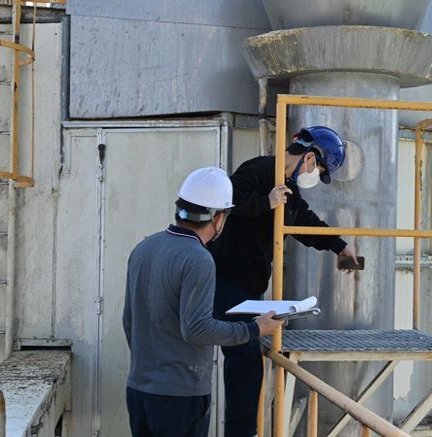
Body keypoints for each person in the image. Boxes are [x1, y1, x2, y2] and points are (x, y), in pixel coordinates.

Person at [210, 126, 358, 437]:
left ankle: (242, 432)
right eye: (319, 169)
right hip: (228, 281)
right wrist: (266, 201)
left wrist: (339, 246)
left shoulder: (290, 189)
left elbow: (303, 221)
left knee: (247, 365)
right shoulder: (259, 170)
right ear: (310, 157)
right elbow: (228, 200)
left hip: (249, 287)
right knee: (244, 362)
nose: (315, 175)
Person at [122, 167, 282, 437]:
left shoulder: (144, 248)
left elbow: (129, 321)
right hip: (180, 397)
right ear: (219, 217)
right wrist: (254, 329)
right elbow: (197, 329)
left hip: (139, 390)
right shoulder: (198, 258)